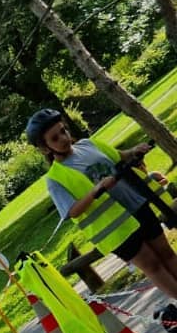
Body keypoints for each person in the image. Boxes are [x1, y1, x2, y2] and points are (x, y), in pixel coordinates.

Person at [26, 109, 177, 308]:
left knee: (167, 254)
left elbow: (118, 157)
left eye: (64, 131)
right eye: (55, 138)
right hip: (116, 229)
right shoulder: (55, 179)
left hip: (136, 205)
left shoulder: (88, 145)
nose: (64, 138)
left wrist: (134, 151)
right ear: (45, 148)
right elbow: (72, 211)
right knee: (153, 266)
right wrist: (97, 189)